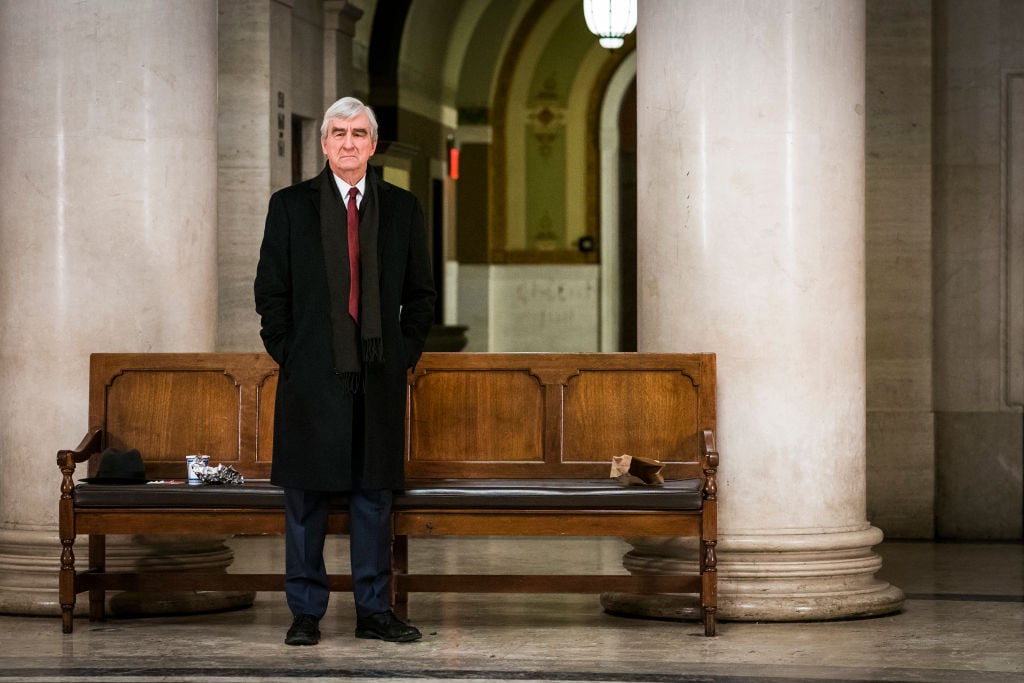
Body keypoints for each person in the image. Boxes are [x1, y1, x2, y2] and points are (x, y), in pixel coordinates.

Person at [254, 96, 436, 645]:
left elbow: (421, 296)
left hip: (378, 373)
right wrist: (291, 350)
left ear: (373, 144)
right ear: (324, 143)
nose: (349, 143)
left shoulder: (402, 209)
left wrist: (402, 352)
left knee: (373, 496)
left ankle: (374, 611)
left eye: (359, 133)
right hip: (312, 373)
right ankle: (305, 612)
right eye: (339, 133)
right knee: (306, 497)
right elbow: (271, 292)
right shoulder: (290, 206)